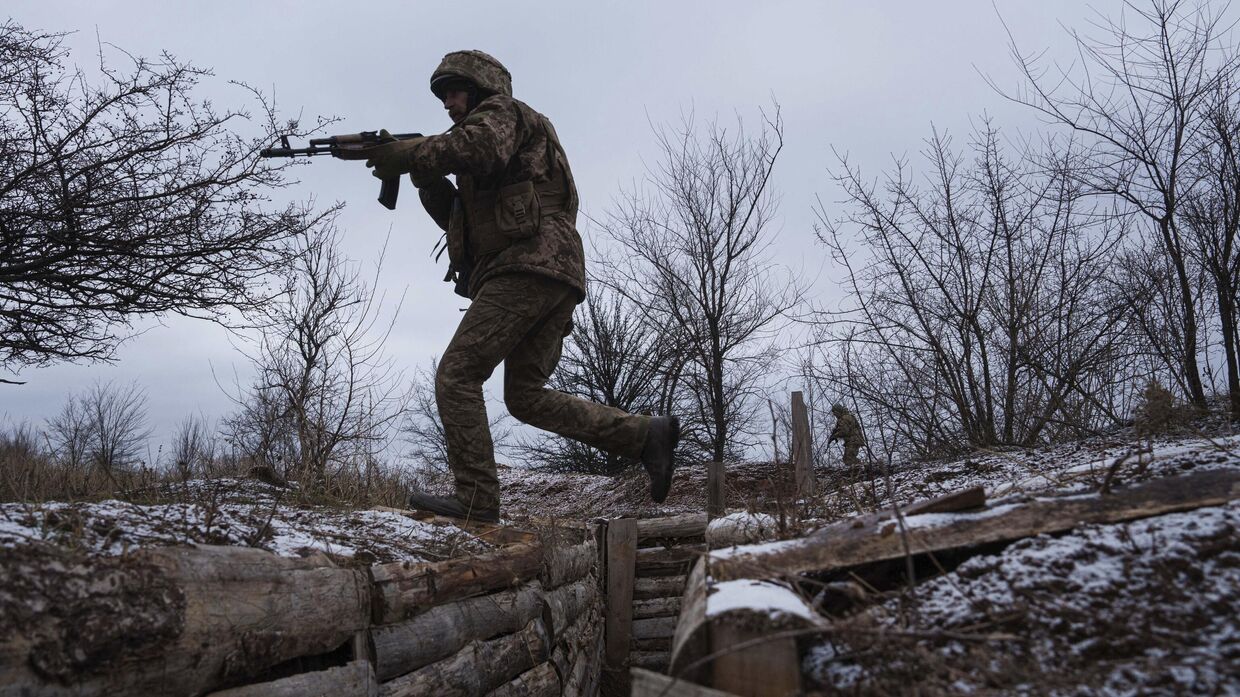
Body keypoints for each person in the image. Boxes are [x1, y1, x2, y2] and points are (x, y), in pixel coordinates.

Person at [365, 50, 679, 523]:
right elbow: (462, 221)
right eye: (443, 96)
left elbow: (480, 146)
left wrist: (413, 152)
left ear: (480, 87)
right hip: (551, 274)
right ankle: (643, 436)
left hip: (529, 266)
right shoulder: (491, 141)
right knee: (526, 396)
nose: (447, 103)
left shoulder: (502, 114)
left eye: (453, 91)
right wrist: (422, 176)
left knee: (457, 373)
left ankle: (476, 500)